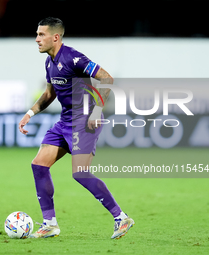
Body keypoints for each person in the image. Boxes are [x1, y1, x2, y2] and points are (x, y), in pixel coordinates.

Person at [18, 17, 134, 239]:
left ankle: (121, 217)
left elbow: (107, 78)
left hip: (84, 122)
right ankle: (50, 224)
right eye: (37, 34)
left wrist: (98, 111)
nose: (36, 39)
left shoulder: (74, 58)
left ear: (56, 37)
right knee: (39, 165)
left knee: (80, 174)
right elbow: (49, 94)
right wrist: (29, 113)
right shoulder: (49, 62)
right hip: (64, 122)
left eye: (41, 35)